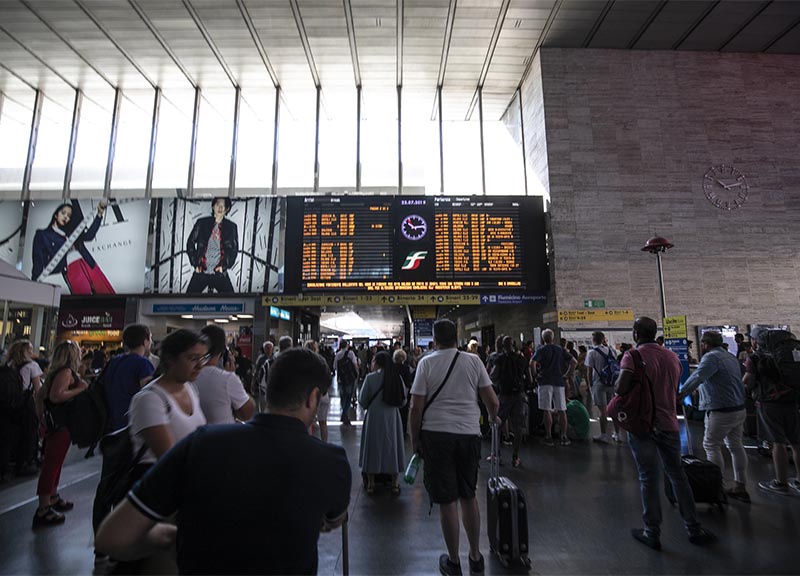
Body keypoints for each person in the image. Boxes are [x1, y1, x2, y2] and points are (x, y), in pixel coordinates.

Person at [95, 348, 351, 574]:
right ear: (312, 397)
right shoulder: (331, 461)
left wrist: (173, 537)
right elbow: (333, 519)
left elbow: (112, 537)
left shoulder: (200, 443)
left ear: (270, 388)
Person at [409, 319, 499, 576]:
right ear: (457, 338)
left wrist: (414, 441)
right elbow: (492, 402)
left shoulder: (426, 363)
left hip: (436, 436)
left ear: (434, 340)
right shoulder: (474, 361)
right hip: (468, 435)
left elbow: (416, 408)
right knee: (468, 495)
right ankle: (475, 555)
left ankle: (453, 561)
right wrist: (492, 419)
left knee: (447, 501)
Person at [618, 317, 714, 550]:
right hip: (669, 423)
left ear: (635, 333)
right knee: (678, 475)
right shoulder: (671, 356)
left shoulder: (633, 356)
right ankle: (693, 527)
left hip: (643, 425)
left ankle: (652, 531)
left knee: (648, 477)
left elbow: (621, 388)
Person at [92, 324, 156, 534]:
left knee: (107, 484)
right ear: (145, 341)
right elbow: (150, 397)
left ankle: (101, 536)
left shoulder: (114, 363)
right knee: (128, 486)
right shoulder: (143, 364)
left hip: (111, 430)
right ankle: (124, 537)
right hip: (132, 432)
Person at [678, 330, 750, 502]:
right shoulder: (729, 356)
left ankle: (716, 487)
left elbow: (698, 377)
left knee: (711, 445)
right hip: (738, 408)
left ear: (705, 344)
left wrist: (681, 394)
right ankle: (740, 485)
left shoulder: (711, 358)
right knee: (735, 445)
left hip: (721, 410)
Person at [128, 330, 208, 477]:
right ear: (171, 360)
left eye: (203, 358)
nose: (200, 365)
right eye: (193, 358)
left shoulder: (190, 388)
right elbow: (168, 458)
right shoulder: (149, 400)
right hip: (158, 486)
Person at [33, 340, 87, 528]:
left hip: (55, 424)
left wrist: (42, 418)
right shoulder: (65, 372)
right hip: (60, 425)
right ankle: (43, 507)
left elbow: (41, 397)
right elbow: (57, 396)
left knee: (54, 463)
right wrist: (79, 389)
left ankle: (52, 496)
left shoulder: (55, 373)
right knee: (52, 464)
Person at [743, 330, 800, 496]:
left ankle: (780, 482)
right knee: (796, 443)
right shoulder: (791, 353)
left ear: (758, 341)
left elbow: (748, 381)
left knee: (778, 443)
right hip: (792, 401)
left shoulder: (755, 357)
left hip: (769, 404)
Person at [32, 201, 114, 294]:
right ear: (56, 215)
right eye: (63, 213)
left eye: (69, 215)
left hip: (88, 262)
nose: (66, 217)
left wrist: (99, 214)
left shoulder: (71, 231)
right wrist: (34, 286)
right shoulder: (43, 234)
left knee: (108, 294)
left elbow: (89, 236)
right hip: (71, 268)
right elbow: (38, 260)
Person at [359, 351, 406, 495]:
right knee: (393, 448)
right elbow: (403, 400)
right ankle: (394, 483)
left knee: (373, 447)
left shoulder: (370, 378)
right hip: (392, 417)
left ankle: (371, 484)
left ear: (377, 363)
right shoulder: (396, 378)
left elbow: (362, 400)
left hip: (374, 417)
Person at [194, 325, 254, 425]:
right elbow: (247, 413)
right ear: (223, 353)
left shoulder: (187, 375)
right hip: (221, 437)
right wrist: (234, 378)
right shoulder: (227, 379)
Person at [2, 340, 41, 478]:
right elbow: (38, 390)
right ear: (26, 351)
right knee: (28, 433)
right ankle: (25, 463)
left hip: (9, 404)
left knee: (10, 434)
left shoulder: (9, 364)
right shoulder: (32, 366)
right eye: (30, 349)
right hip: (26, 404)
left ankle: (7, 464)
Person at [531, 329, 577, 446]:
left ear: (543, 338)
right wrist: (567, 374)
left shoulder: (541, 350)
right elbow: (574, 362)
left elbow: (532, 363)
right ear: (553, 338)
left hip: (545, 381)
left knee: (546, 409)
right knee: (562, 409)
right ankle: (564, 436)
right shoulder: (560, 349)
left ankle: (548, 436)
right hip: (559, 381)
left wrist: (535, 375)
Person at [490, 336, 529, 468]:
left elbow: (493, 375)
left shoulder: (500, 359)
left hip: (504, 396)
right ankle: (516, 457)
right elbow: (529, 377)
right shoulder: (522, 359)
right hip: (519, 396)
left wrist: (497, 385)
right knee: (518, 427)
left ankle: (497, 455)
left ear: (502, 346)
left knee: (498, 425)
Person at [186, 197, 238, 294]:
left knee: (232, 301)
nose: (220, 208)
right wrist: (195, 264)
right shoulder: (202, 223)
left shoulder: (231, 227)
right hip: (202, 270)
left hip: (219, 271)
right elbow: (190, 242)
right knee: (188, 300)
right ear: (213, 206)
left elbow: (234, 250)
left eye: (223, 206)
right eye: (218, 204)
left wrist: (224, 267)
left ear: (227, 209)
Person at [585, 331, 622, 444]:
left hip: (598, 383)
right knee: (613, 409)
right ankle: (617, 434)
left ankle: (604, 435)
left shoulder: (591, 353)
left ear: (593, 340)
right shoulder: (612, 351)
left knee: (603, 411)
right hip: (611, 383)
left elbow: (589, 371)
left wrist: (590, 384)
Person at [306, 340, 331, 442]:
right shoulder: (322, 361)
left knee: (308, 422)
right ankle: (324, 443)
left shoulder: (305, 363)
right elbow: (328, 377)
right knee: (323, 422)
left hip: (310, 395)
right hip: (323, 394)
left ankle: (308, 444)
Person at [334, 339, 359, 427]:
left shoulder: (337, 354)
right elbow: (355, 364)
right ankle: (345, 415)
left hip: (341, 378)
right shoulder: (351, 353)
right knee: (349, 396)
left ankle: (343, 413)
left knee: (343, 396)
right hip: (350, 378)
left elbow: (335, 367)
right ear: (347, 345)